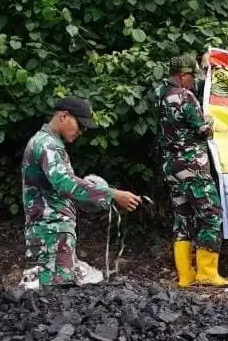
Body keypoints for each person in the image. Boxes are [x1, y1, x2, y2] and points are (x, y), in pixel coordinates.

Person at [21, 96, 141, 288]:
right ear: (64, 116)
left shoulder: (48, 143)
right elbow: (64, 183)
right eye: (80, 125)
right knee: (55, 296)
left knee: (54, 295)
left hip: (51, 233)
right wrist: (112, 194)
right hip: (51, 233)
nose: (82, 132)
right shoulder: (47, 145)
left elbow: (58, 188)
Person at [154, 54, 228, 287]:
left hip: (171, 167)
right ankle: (207, 273)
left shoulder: (160, 95)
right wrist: (210, 121)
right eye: (191, 77)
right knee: (210, 214)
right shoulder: (185, 96)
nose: (192, 82)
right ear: (183, 76)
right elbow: (203, 129)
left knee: (183, 217)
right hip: (192, 166)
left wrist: (207, 69)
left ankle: (185, 276)